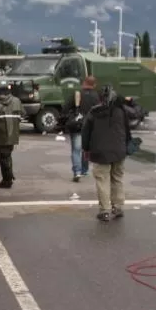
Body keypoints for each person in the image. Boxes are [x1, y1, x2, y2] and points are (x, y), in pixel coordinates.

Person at [81, 86, 132, 222]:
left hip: (100, 151)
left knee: (102, 180)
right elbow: (127, 131)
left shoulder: (94, 112)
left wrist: (86, 149)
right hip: (119, 151)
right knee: (117, 178)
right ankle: (118, 206)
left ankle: (105, 210)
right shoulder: (121, 111)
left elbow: (85, 132)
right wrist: (126, 147)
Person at [0, 78, 24, 189]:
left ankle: (7, 180)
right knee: (7, 155)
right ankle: (9, 177)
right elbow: (23, 114)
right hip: (13, 134)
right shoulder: (16, 100)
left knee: (3, 157)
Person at [62, 76, 99, 182]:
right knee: (86, 149)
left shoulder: (77, 94)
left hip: (77, 125)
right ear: (94, 85)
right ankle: (84, 169)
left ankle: (77, 172)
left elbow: (65, 108)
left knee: (76, 150)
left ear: (84, 83)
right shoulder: (96, 97)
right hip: (90, 126)